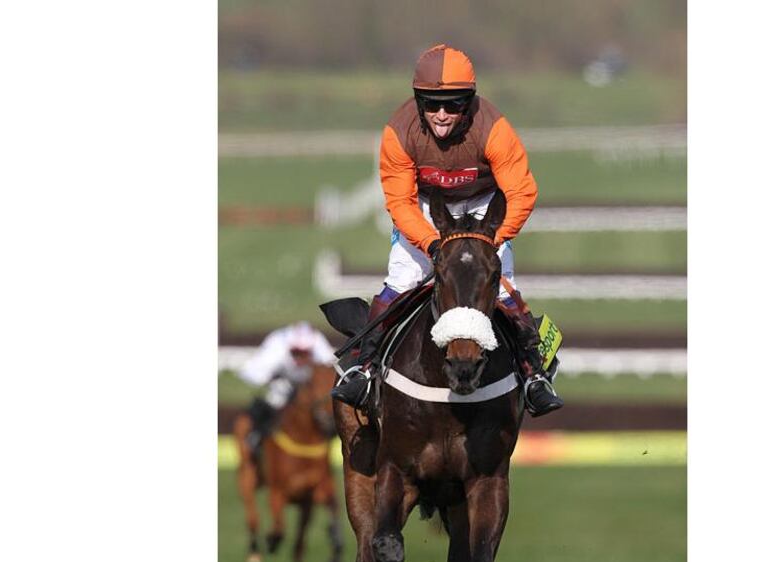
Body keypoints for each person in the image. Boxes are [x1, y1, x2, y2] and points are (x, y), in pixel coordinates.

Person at [331, 44, 563, 417]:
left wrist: (491, 242)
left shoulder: (495, 129)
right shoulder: (399, 132)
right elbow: (400, 202)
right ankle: (364, 366)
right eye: (431, 104)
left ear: (468, 102)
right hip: (426, 210)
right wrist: (432, 244)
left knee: (504, 289)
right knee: (403, 278)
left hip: (486, 210)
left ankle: (533, 374)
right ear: (418, 101)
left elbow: (521, 192)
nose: (441, 114)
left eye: (453, 105)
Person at [238, 321, 335, 457]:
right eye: (296, 352)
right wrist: (271, 376)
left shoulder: (318, 342)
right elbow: (254, 371)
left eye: (304, 353)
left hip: (307, 386)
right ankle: (258, 437)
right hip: (282, 383)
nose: (300, 358)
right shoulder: (277, 344)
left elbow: (330, 367)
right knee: (274, 401)